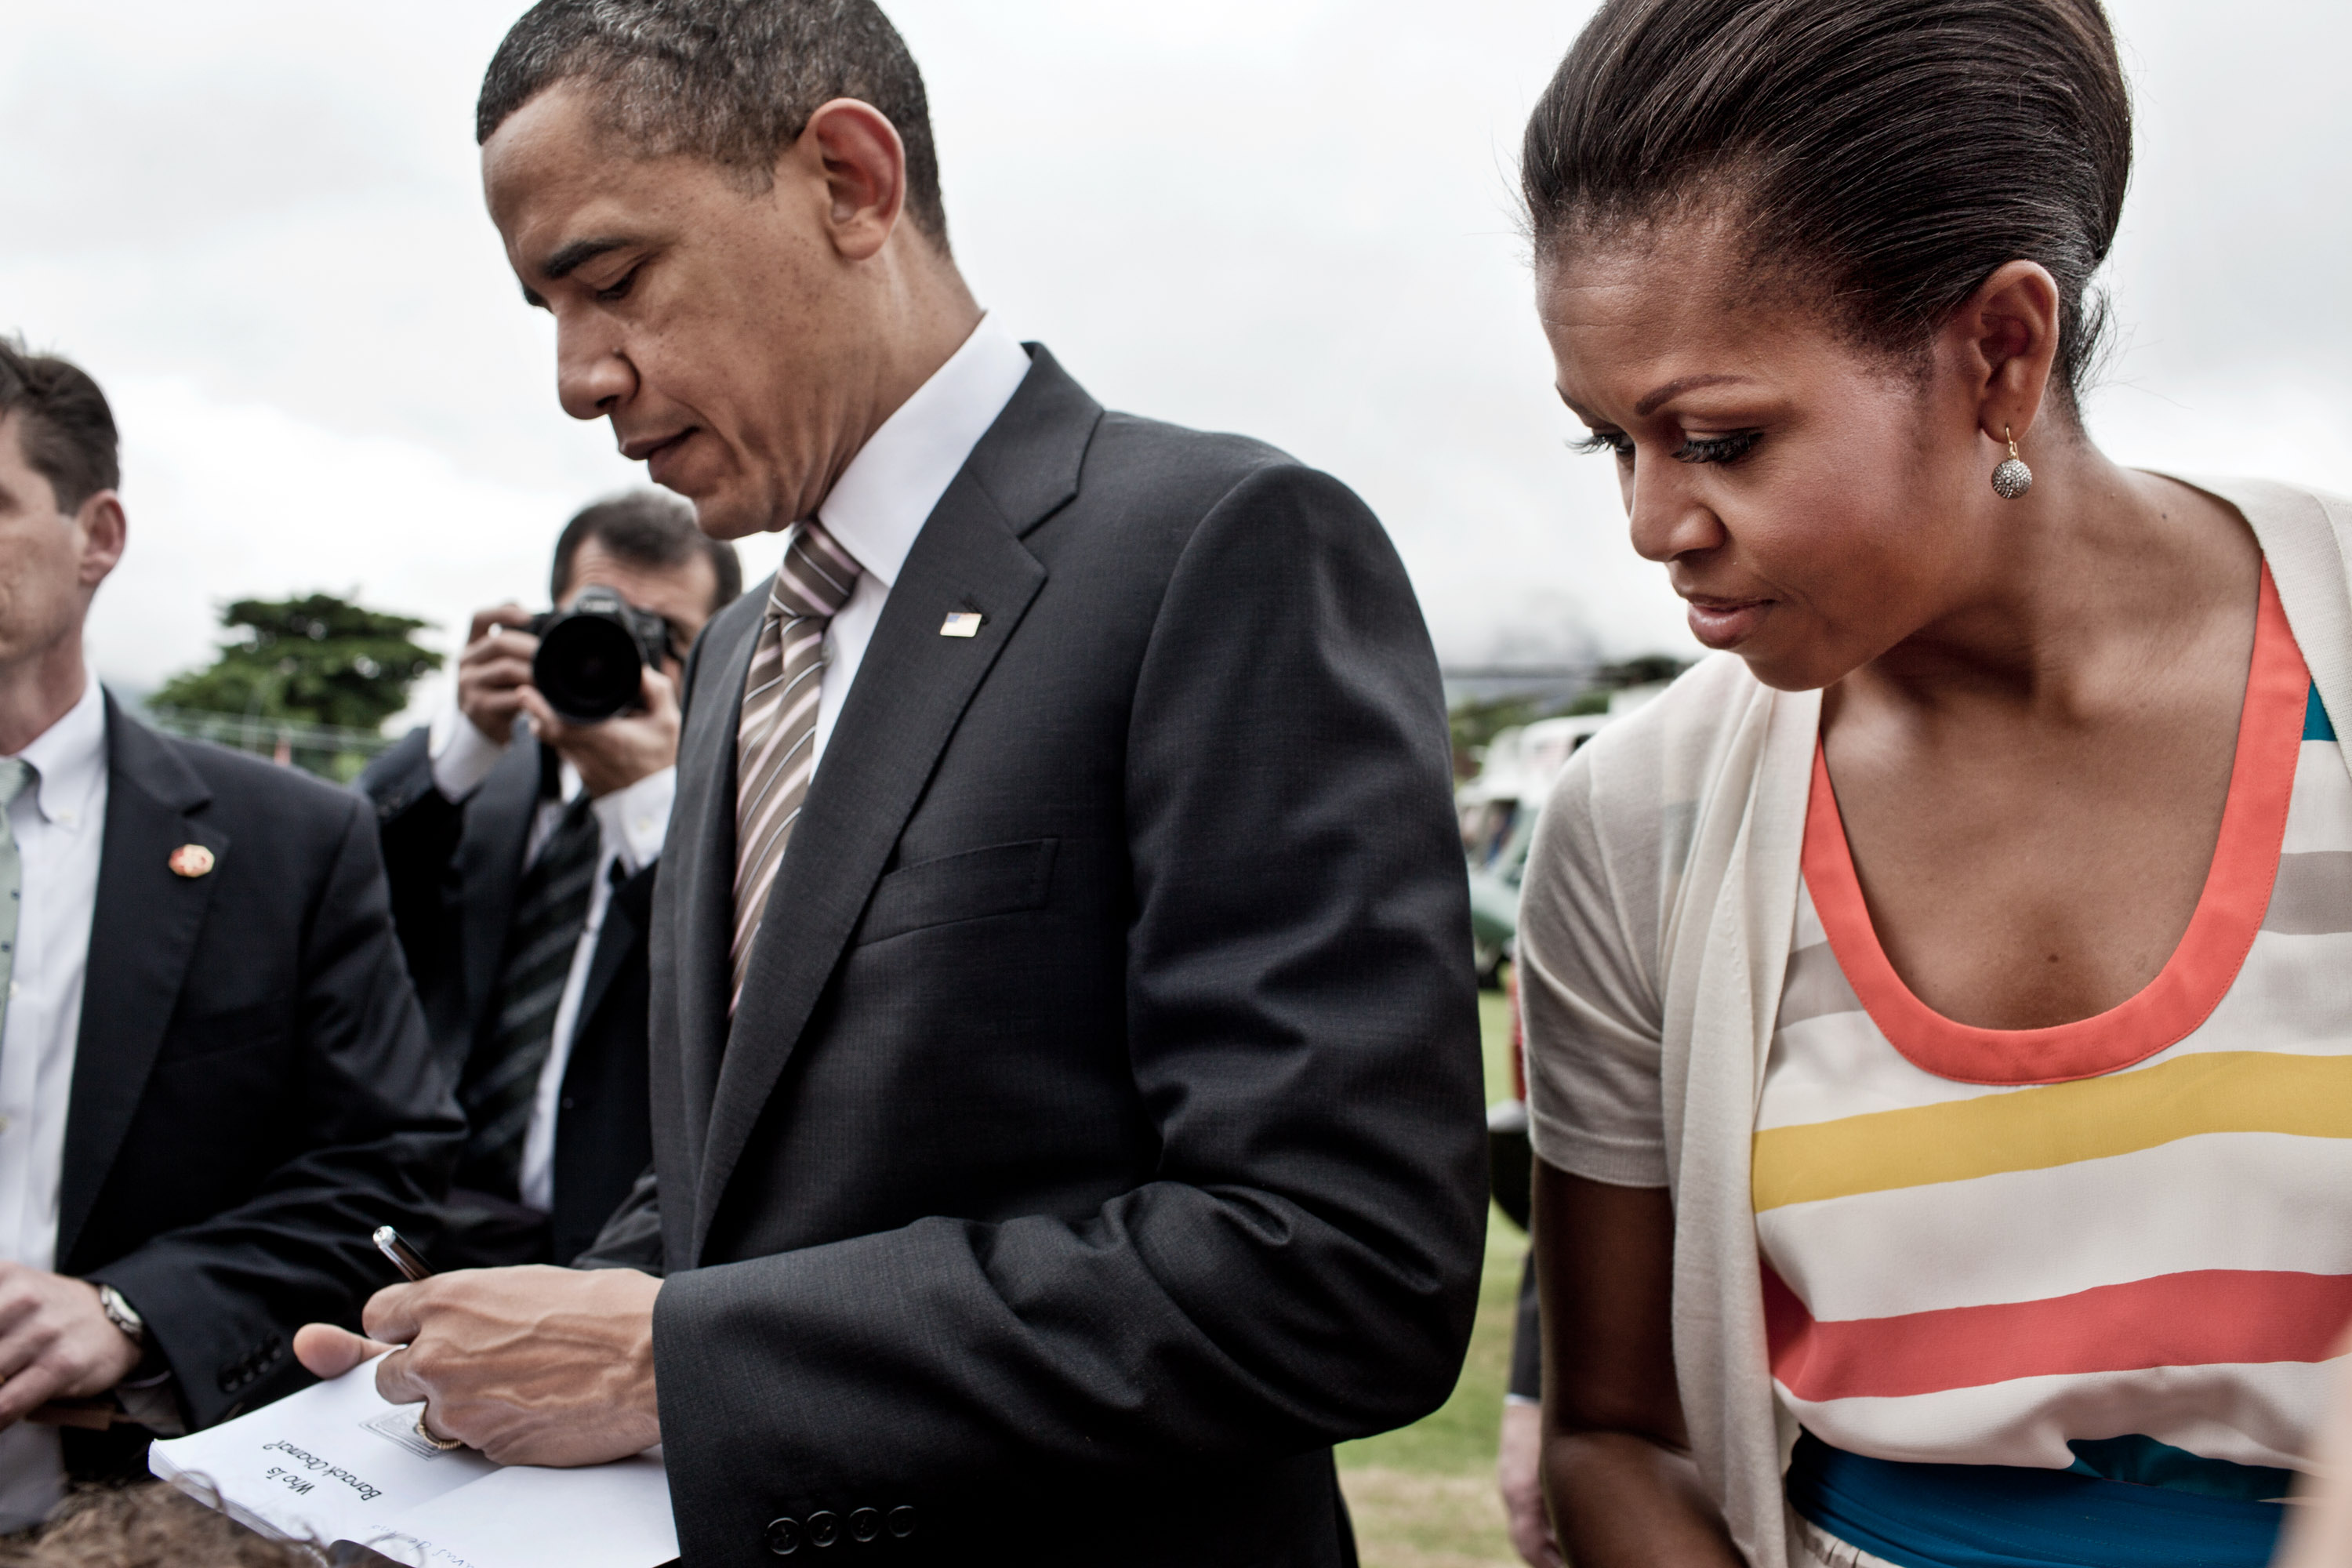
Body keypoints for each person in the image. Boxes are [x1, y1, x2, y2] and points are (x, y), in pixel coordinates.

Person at [295, 2, 1488, 1564]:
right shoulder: (732, 659)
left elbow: (1338, 1265)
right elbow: (756, 1174)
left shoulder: (1218, 547)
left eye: (611, 279)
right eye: (546, 311)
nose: (580, 378)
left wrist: (665, 1365)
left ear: (850, 182)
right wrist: (536, 1337)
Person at [1514, 0, 2352, 1565]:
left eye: (1720, 436)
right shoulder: (1639, 825)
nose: (1651, 521)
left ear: (1999, 350)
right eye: (1607, 443)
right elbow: (1618, 1434)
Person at [0, 341, 460, 1527]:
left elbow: (384, 1170)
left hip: (122, 1519)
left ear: (96, 534)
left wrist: (130, 1309)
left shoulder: (289, 846)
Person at [360, 492, 740, 1268]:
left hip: (601, 1257)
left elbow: (730, 994)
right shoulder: (475, 782)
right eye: (592, 619)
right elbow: (339, 897)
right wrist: (464, 743)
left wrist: (648, 805)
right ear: (541, 623)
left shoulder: (738, 809)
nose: (620, 656)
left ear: (721, 652)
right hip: (409, 1222)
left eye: (664, 638)